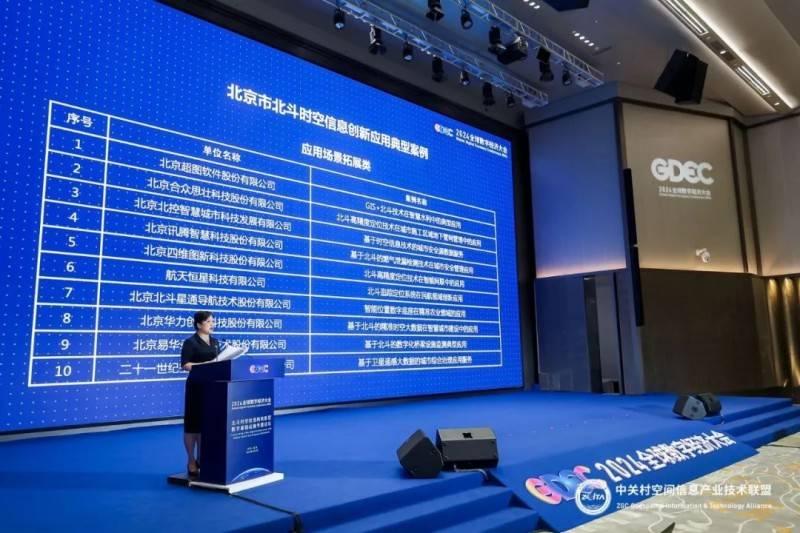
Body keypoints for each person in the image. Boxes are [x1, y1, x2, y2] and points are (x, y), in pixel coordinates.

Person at [181, 310, 220, 477]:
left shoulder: (215, 342)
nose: (212, 324)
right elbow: (185, 365)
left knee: (205, 425)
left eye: (213, 321)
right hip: (196, 387)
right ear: (198, 324)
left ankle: (202, 458)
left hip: (212, 388)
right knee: (193, 425)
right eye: (208, 321)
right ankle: (191, 460)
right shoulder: (190, 342)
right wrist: (204, 365)